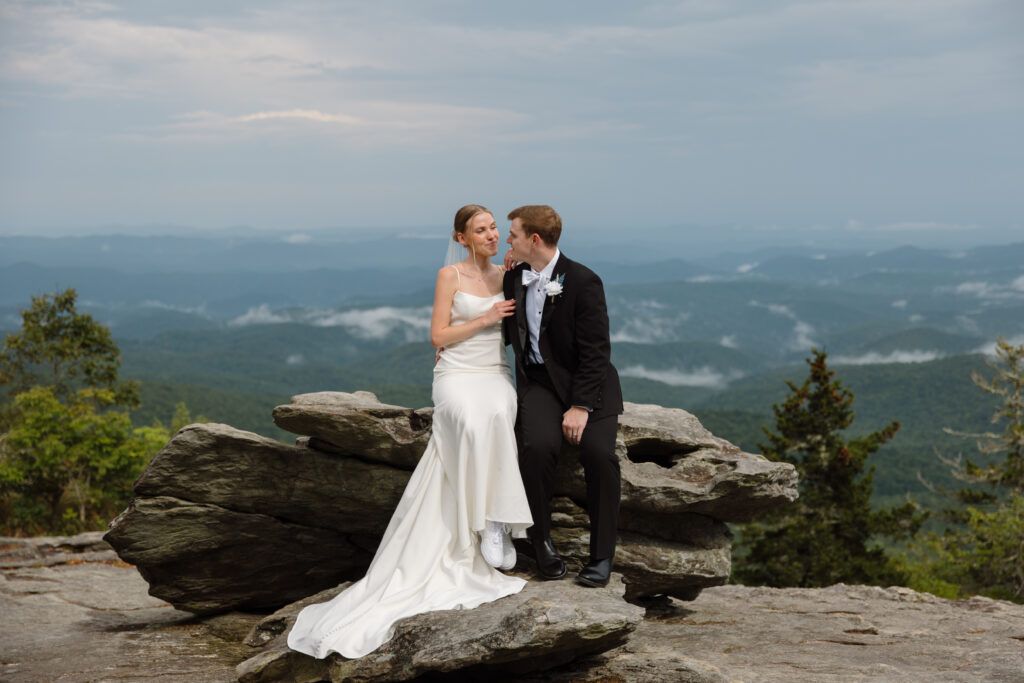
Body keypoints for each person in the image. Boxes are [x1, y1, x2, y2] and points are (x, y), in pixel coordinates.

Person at [288, 205, 533, 659]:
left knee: (499, 412)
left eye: (495, 227)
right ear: (462, 237)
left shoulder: (508, 274)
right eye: (482, 230)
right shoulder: (450, 276)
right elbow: (438, 337)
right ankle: (477, 522)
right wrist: (485, 318)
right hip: (457, 372)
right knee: (463, 415)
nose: (492, 235)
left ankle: (496, 521)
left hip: (494, 372)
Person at [502, 205, 623, 588]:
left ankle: (602, 556)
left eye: (513, 235)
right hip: (538, 383)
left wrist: (580, 406)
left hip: (587, 385)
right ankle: (541, 543)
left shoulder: (584, 281)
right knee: (537, 447)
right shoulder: (514, 277)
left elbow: (596, 352)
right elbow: (505, 329)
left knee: (598, 455)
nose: (508, 240)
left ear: (533, 239)